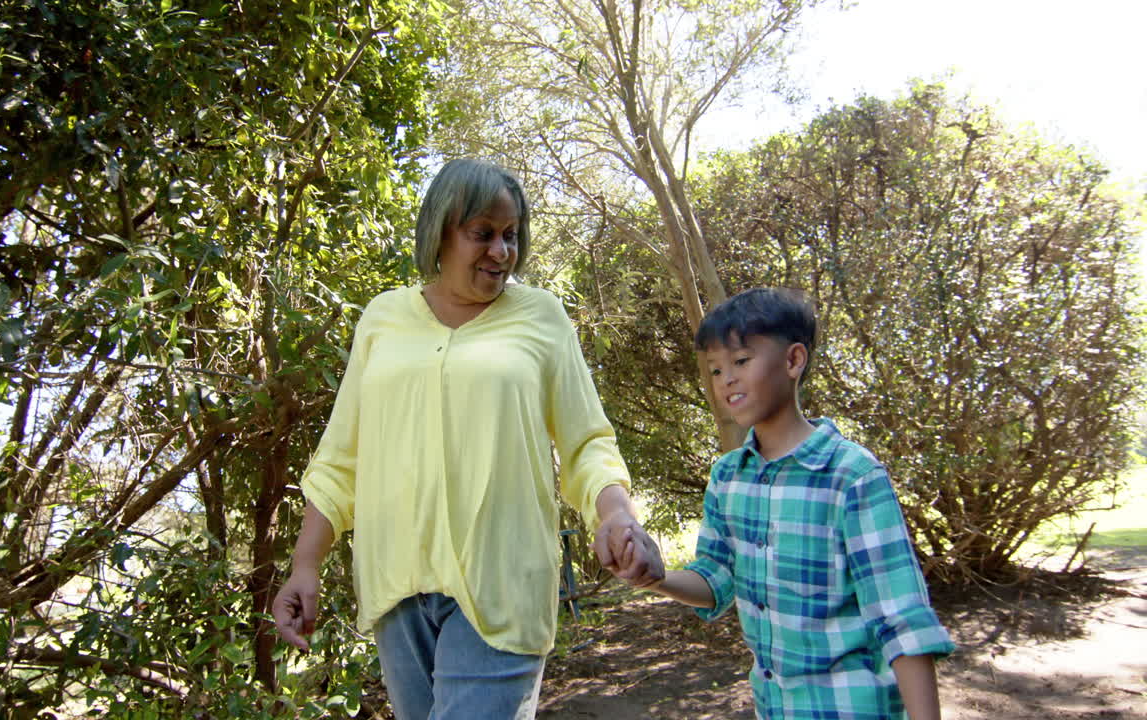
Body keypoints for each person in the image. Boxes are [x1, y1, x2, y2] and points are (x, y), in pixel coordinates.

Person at [271, 158, 662, 719]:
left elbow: (585, 443)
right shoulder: (384, 318)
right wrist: (305, 566)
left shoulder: (541, 317)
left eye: (511, 236)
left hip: (502, 583)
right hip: (396, 590)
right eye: (483, 234)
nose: (501, 252)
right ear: (441, 232)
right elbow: (341, 460)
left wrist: (616, 514)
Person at [601, 288, 954, 720]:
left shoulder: (851, 476)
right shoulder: (728, 478)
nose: (725, 379)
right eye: (714, 369)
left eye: (741, 362)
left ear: (793, 361)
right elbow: (715, 580)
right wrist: (655, 577)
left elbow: (902, 620)